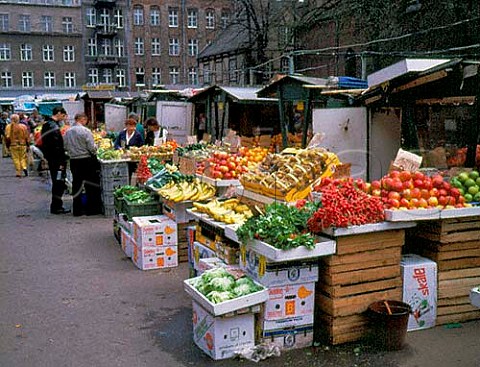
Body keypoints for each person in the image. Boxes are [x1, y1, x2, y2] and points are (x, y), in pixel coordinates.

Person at [64, 113, 102, 216]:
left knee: (77, 184)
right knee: (90, 185)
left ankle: (77, 210)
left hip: (74, 161)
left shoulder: (67, 132)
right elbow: (92, 148)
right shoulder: (86, 131)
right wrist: (96, 148)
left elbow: (65, 146)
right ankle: (91, 209)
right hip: (86, 160)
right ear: (83, 120)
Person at [41, 106, 70, 214]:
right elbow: (57, 146)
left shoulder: (46, 125)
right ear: (58, 113)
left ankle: (56, 205)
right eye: (63, 115)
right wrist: (62, 161)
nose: (63, 118)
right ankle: (57, 206)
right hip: (57, 161)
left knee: (57, 182)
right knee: (59, 182)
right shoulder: (53, 126)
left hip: (52, 159)